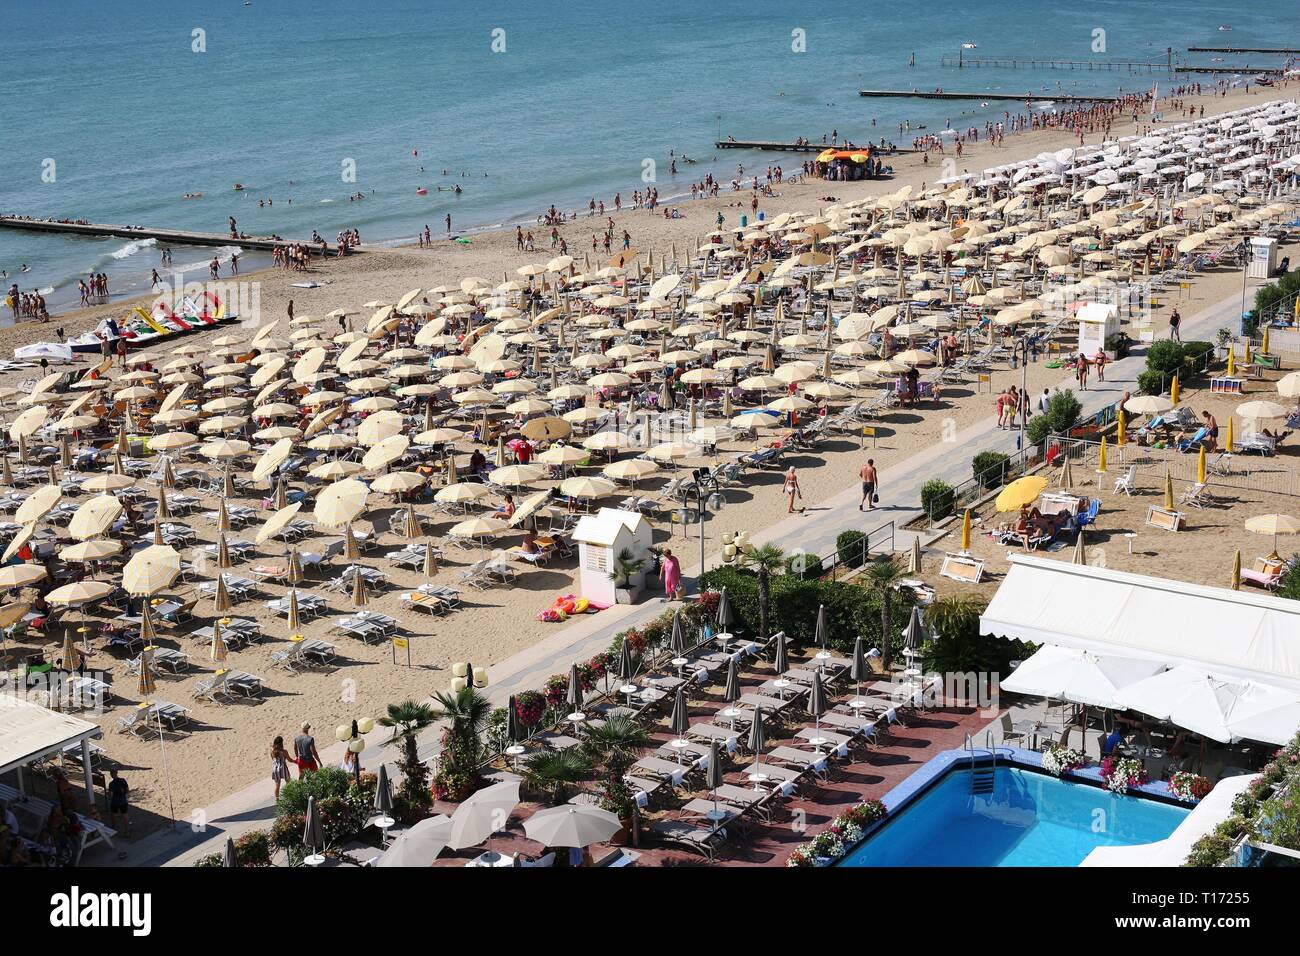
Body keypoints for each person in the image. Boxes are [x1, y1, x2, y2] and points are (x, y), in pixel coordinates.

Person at [106, 769, 131, 836]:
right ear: (117, 773)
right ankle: (127, 832)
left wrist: (108, 795)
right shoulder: (123, 780)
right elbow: (127, 790)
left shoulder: (111, 784)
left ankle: (113, 830)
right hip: (123, 801)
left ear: (111, 775)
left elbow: (111, 795)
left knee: (113, 816)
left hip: (115, 802)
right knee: (125, 816)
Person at [271, 736, 292, 801]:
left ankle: (277, 800)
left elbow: (273, 759)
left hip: (275, 768)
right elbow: (289, 759)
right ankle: (289, 796)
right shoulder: (283, 751)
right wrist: (295, 761)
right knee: (288, 782)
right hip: (282, 767)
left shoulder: (272, 752)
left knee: (277, 785)